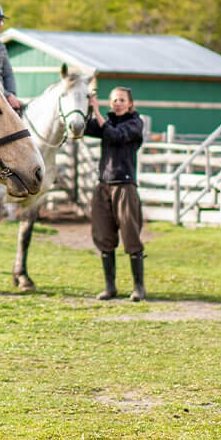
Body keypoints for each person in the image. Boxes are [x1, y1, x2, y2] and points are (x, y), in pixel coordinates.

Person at [85, 86, 146, 301]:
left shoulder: (135, 123)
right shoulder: (107, 121)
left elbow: (115, 136)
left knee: (131, 235)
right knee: (103, 235)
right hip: (104, 185)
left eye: (121, 100)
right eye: (114, 100)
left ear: (130, 103)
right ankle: (110, 287)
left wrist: (98, 112)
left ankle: (139, 287)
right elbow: (83, 127)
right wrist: (86, 104)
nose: (117, 103)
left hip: (125, 185)